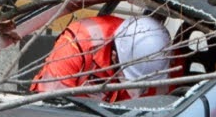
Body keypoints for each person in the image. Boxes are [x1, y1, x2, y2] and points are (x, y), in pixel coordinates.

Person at [30, 14, 172, 102]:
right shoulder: (78, 43)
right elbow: (50, 104)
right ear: (115, 56)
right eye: (127, 77)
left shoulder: (157, 64)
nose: (139, 91)